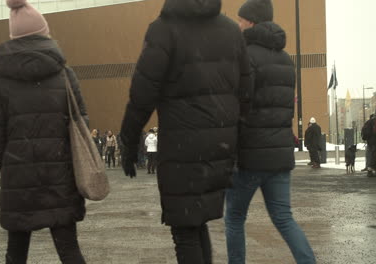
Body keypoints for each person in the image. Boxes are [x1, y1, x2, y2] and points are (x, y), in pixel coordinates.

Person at [120, 0, 252, 263]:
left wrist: (129, 140)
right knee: (196, 222)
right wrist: (236, 137)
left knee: (185, 230)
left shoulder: (164, 30)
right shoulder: (230, 31)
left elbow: (142, 94)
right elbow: (247, 91)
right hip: (220, 144)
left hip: (182, 145)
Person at [0, 1, 87, 262]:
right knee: (69, 249)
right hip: (60, 172)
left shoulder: (0, 80)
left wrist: (7, 164)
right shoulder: (64, 74)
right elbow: (80, 122)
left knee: (16, 252)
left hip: (18, 177)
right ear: (44, 32)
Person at [225, 1, 316, 264]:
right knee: (284, 218)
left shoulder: (245, 56)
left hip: (249, 156)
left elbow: (238, 104)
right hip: (279, 155)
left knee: (234, 217)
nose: (238, 24)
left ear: (251, 22)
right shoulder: (286, 60)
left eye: (240, 20)